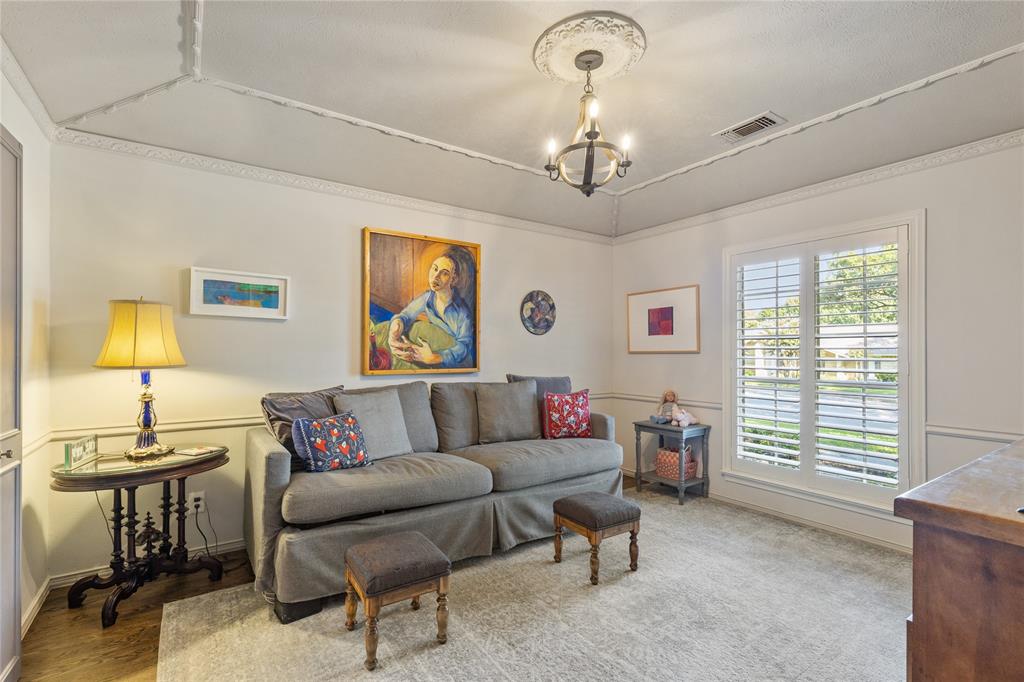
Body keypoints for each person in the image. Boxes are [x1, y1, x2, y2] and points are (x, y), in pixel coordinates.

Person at [387, 251, 474, 368]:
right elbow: (406, 315)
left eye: (444, 273)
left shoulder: (463, 313)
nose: (436, 276)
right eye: (435, 269)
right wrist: (395, 328)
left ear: (453, 279)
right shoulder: (428, 298)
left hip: (457, 364)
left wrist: (434, 358)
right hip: (435, 350)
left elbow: (464, 347)